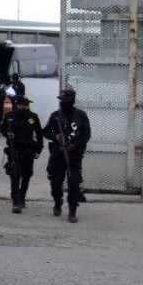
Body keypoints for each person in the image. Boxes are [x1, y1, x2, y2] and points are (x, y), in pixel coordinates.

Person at [45, 86, 91, 223]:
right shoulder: (55, 116)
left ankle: (72, 210)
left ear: (72, 100)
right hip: (57, 155)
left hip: (74, 156)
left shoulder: (81, 116)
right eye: (61, 99)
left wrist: (74, 146)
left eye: (65, 100)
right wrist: (56, 136)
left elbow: (86, 135)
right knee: (55, 183)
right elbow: (45, 131)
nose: (62, 102)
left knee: (74, 184)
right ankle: (58, 202)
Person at [0, 94, 43, 213]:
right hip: (14, 150)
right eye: (23, 105)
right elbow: (2, 128)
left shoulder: (32, 117)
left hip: (28, 150)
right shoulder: (9, 117)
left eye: (27, 105)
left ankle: (22, 197)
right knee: (15, 174)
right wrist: (7, 133)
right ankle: (16, 200)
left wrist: (39, 150)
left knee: (26, 175)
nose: (25, 107)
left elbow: (39, 134)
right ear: (17, 105)